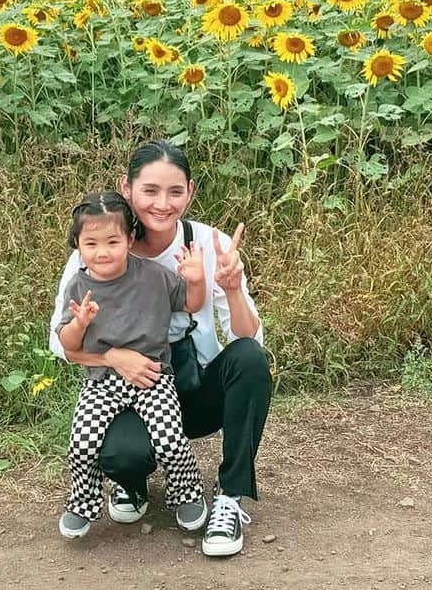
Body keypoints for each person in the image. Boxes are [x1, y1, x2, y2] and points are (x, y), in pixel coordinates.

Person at [49, 140, 272, 557]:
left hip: (193, 385)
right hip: (126, 393)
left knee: (250, 361)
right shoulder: (98, 245)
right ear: (127, 188)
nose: (162, 204)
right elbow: (60, 345)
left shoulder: (208, 244)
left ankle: (229, 496)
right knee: (116, 451)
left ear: (190, 192)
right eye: (150, 191)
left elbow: (247, 335)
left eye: (174, 192)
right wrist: (114, 356)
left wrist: (230, 288)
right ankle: (131, 484)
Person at [55, 190, 208, 540]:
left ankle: (187, 493)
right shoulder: (79, 284)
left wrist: (196, 278)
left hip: (153, 375)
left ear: (130, 238)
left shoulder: (154, 276)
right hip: (101, 380)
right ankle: (82, 503)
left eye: (112, 240)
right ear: (77, 244)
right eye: (91, 243)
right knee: (82, 443)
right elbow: (67, 345)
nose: (103, 251)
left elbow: (191, 303)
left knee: (171, 439)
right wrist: (80, 323)